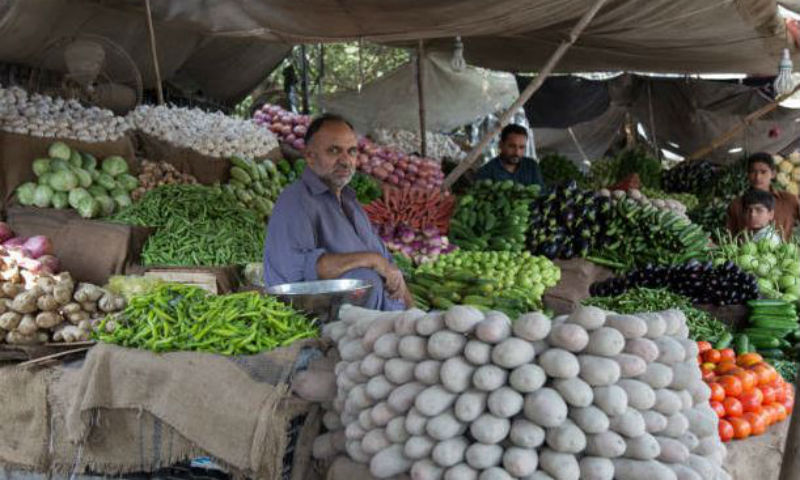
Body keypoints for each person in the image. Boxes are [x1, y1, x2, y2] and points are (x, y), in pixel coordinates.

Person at [263, 114, 411, 311]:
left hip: (387, 329)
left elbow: (390, 268)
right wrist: (371, 261)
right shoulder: (295, 200)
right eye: (334, 150)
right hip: (327, 327)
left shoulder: (352, 204)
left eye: (351, 152)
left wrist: (416, 314)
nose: (345, 161)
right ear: (309, 156)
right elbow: (295, 272)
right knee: (365, 279)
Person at [727, 152, 800, 240]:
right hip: (749, 252)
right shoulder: (736, 205)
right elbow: (730, 237)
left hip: (785, 252)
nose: (757, 177)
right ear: (747, 174)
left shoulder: (789, 200)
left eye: (763, 172)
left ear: (773, 174)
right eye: (753, 172)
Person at [475, 124, 543, 186]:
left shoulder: (531, 166)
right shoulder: (486, 172)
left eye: (521, 147)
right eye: (512, 146)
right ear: (501, 145)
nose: (517, 152)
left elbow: (541, 194)